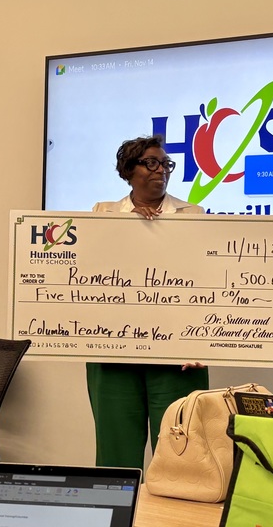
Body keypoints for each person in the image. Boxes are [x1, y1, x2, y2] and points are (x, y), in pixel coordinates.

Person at [87, 134, 209, 469]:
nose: (161, 170)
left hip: (179, 355)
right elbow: (88, 273)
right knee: (116, 453)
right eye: (151, 163)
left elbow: (208, 282)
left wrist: (204, 343)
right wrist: (129, 224)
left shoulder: (192, 213)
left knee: (180, 454)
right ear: (128, 170)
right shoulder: (102, 213)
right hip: (113, 353)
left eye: (166, 163)